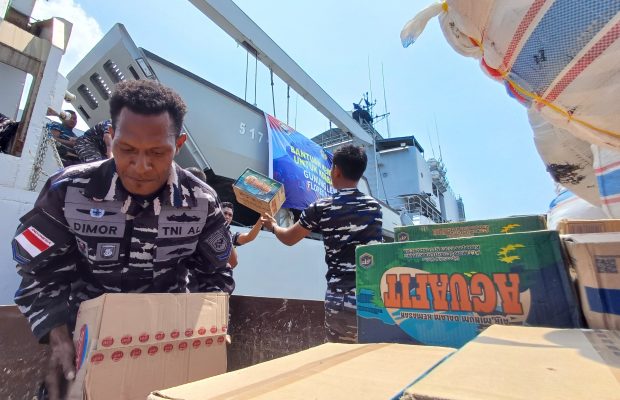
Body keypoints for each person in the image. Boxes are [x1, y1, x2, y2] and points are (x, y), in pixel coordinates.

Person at [12, 80, 233, 400]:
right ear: (111, 137)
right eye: (127, 149)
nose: (141, 166)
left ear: (179, 144)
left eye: (157, 152)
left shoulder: (201, 202)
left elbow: (215, 273)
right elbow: (37, 271)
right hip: (83, 346)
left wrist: (208, 329)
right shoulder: (69, 190)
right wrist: (56, 335)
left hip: (165, 346)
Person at [261, 144, 382, 343]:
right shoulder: (374, 207)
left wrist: (273, 226)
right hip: (372, 297)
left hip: (340, 297)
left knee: (340, 353)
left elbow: (289, 238)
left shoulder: (321, 207)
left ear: (336, 170)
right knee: (368, 352)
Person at [221, 201, 263, 268]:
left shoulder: (231, 237)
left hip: (219, 273)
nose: (227, 217)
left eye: (230, 215)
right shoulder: (207, 228)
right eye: (225, 213)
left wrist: (262, 218)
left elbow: (249, 237)